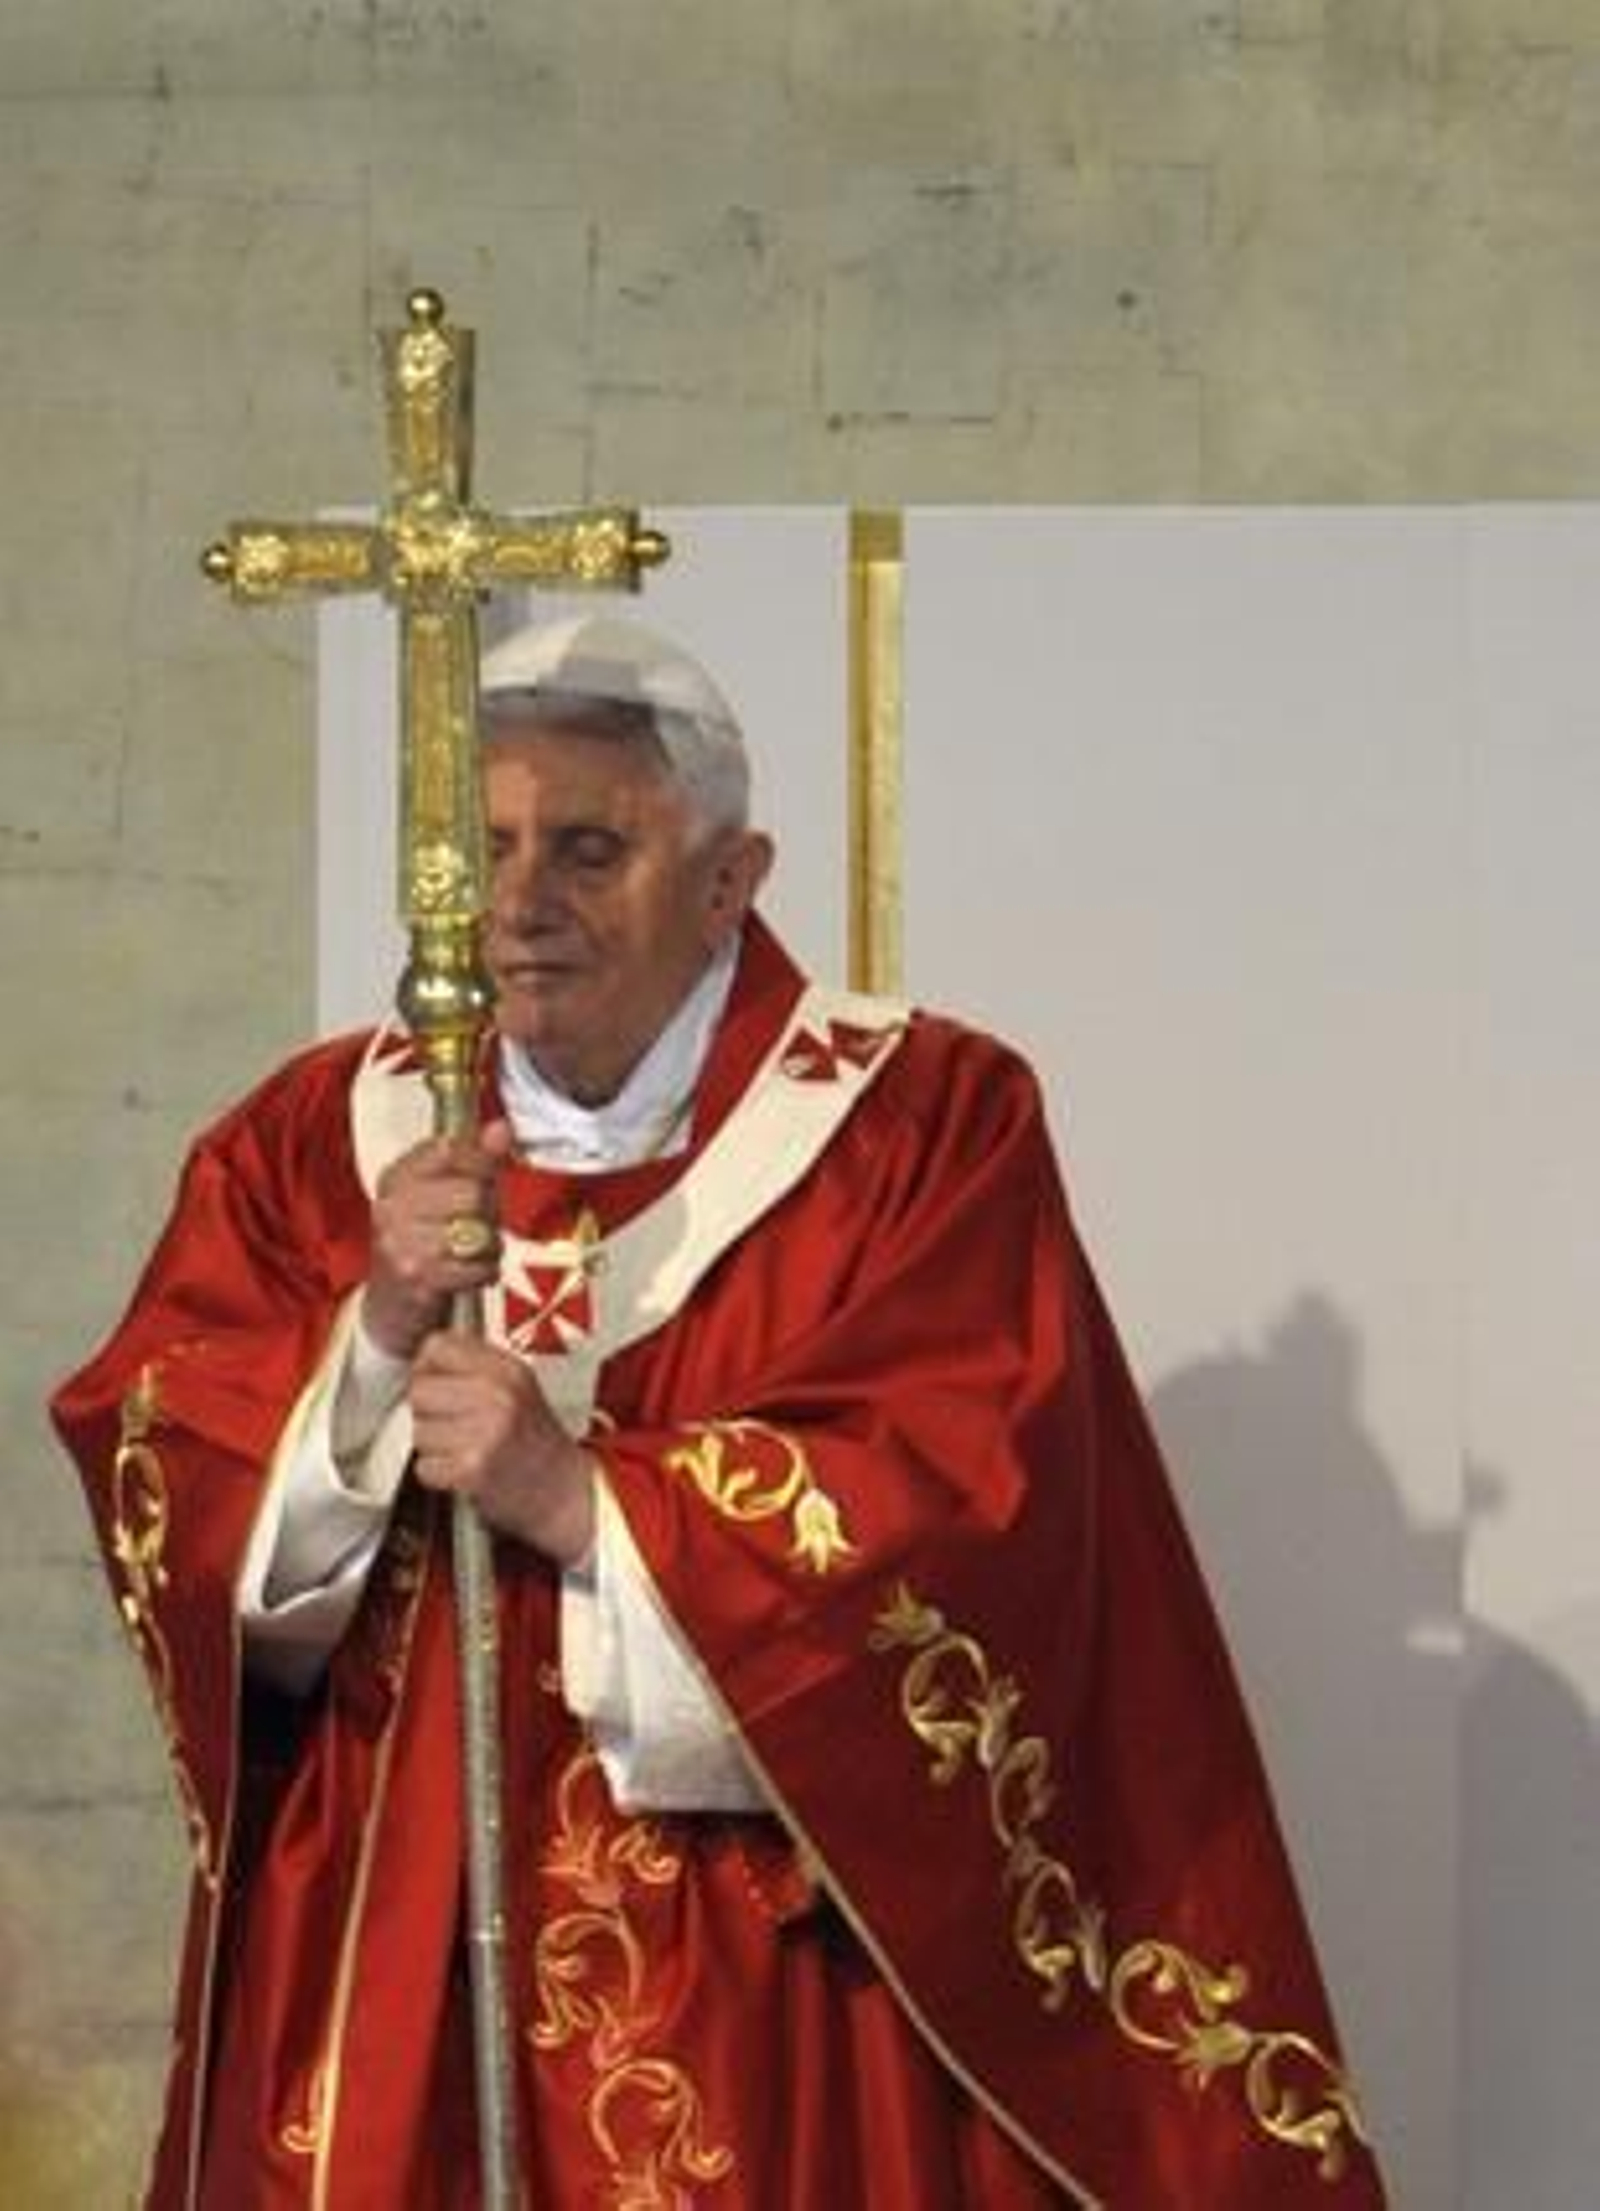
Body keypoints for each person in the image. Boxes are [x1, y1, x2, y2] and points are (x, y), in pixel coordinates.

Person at [52, 614, 1386, 2209]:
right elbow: (169, 1482)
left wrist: (580, 1502)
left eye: (589, 849)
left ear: (731, 877)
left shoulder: (918, 1131)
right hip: (392, 1948)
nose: (520, 907)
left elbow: (972, 1507)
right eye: (485, 847)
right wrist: (374, 1337)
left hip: (761, 1969)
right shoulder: (306, 1141)